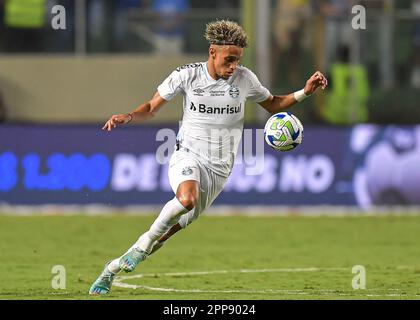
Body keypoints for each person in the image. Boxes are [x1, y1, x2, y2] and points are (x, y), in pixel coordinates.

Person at [89, 20, 328, 295]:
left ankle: (114, 267)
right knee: (186, 200)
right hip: (187, 155)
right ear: (212, 52)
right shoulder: (187, 76)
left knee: (167, 233)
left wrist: (304, 92)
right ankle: (141, 244)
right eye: (229, 60)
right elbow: (151, 107)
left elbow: (272, 103)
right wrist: (129, 116)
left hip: (219, 170)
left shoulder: (245, 79)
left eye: (237, 60)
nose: (233, 66)